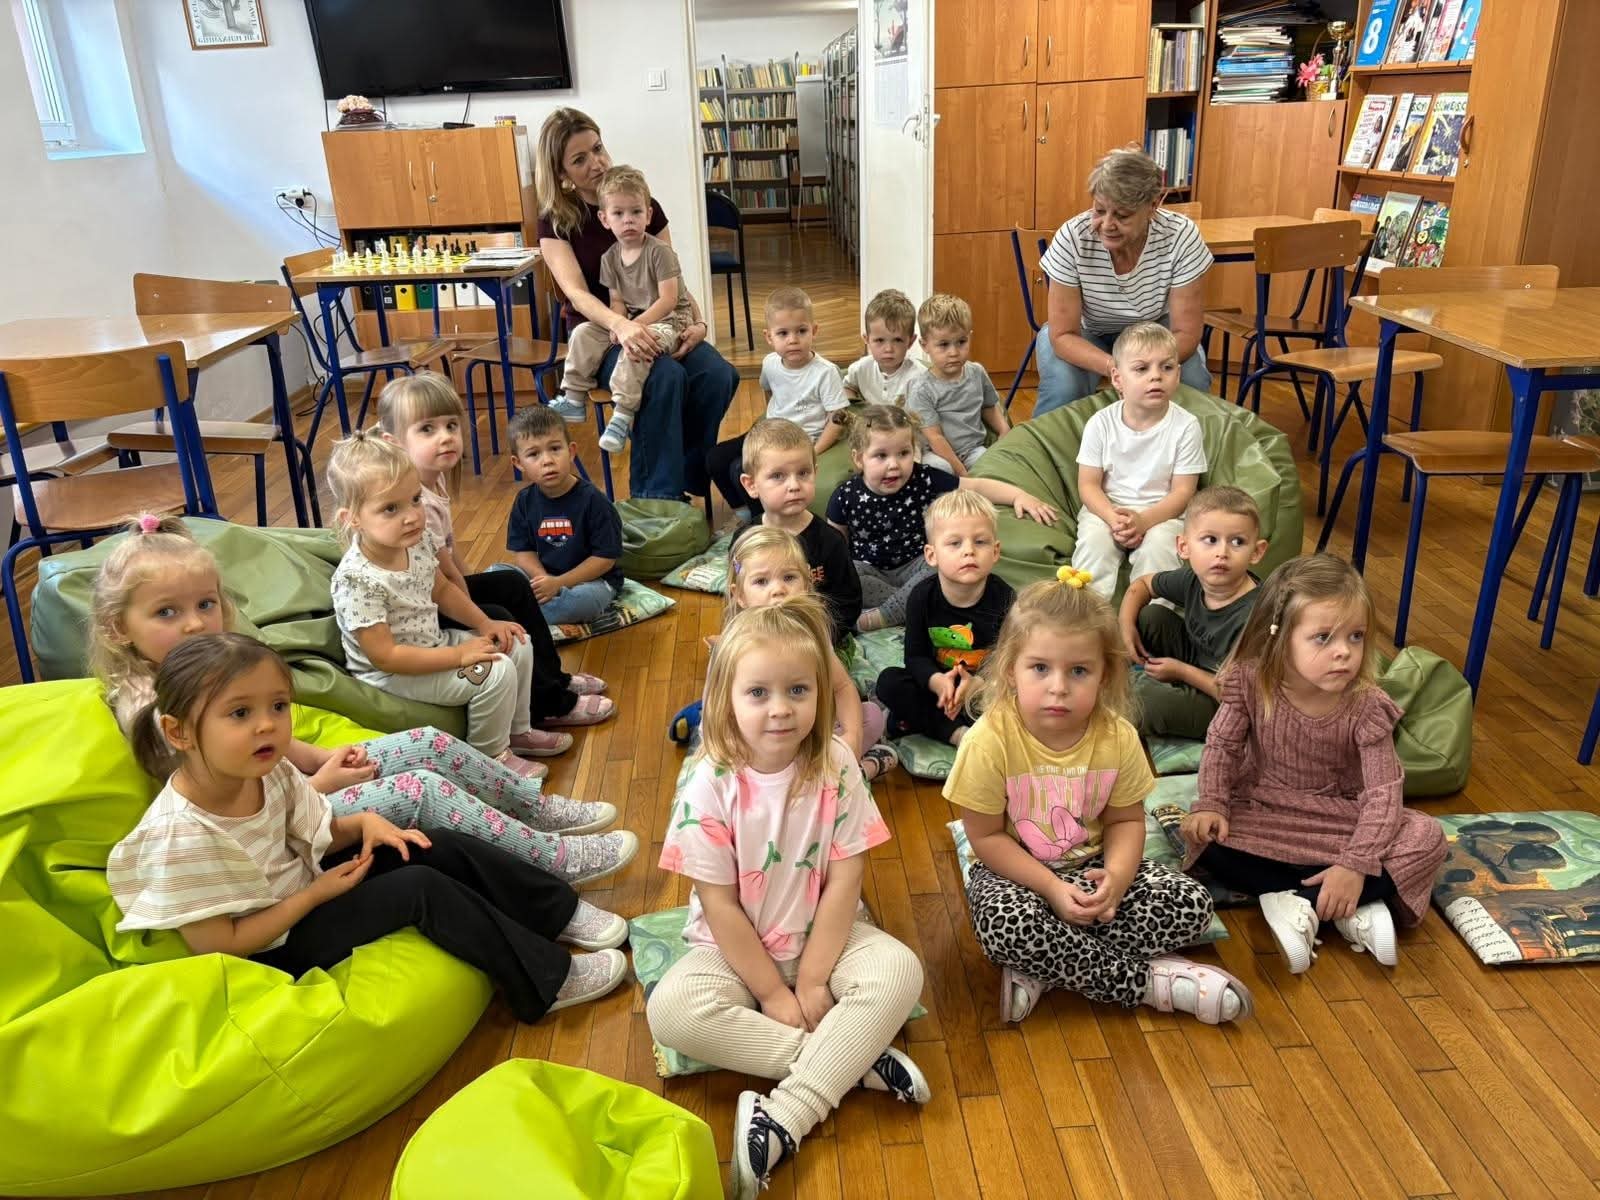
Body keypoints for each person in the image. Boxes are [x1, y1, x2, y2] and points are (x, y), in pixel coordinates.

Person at [107, 633, 631, 1025]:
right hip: (276, 946)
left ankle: (559, 911)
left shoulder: (268, 771)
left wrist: (365, 824)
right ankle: (547, 981)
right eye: (239, 713)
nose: (267, 724)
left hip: (306, 886)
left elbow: (315, 831)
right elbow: (223, 945)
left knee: (432, 844)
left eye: (278, 706)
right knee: (418, 887)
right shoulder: (182, 837)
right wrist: (315, 896)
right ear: (179, 732)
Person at [88, 515, 638, 884]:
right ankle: (550, 857)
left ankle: (532, 811)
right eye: (166, 612)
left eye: (205, 605)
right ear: (118, 627)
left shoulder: (214, 668)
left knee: (427, 742)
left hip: (300, 791)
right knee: (420, 789)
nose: (194, 624)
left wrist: (324, 758)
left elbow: (272, 743)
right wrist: (321, 784)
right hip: (276, 830)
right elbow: (232, 807)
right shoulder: (157, 711)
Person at [645, 600, 928, 1200]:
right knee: (671, 1011)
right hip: (734, 951)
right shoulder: (707, 783)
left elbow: (846, 879)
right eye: (758, 693)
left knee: (901, 970)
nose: (780, 708)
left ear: (821, 694)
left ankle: (786, 1114)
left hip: (828, 934)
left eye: (798, 690)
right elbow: (720, 906)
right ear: (725, 700)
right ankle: (851, 1063)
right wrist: (774, 993)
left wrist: (815, 977)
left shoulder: (838, 765)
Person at [947, 571, 1253, 1026]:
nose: (1058, 686)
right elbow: (987, 838)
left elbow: (1125, 821)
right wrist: (1052, 889)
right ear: (1010, 669)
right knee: (1004, 926)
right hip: (1017, 879)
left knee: (1192, 903)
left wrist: (1117, 880)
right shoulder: (988, 740)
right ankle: (1150, 983)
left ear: (1104, 674)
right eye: (1040, 668)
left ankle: (1048, 964)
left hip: (1091, 869)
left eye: (1078, 671)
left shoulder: (1118, 736)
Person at [1182, 555, 1448, 973]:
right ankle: (1351, 904)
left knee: (1427, 836)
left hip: (1341, 819)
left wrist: (1356, 863)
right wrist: (1212, 802)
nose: (1344, 652)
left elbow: (1384, 793)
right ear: (1278, 637)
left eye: (1356, 636)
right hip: (1265, 810)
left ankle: (1305, 901)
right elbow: (1221, 746)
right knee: (1206, 838)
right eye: (1323, 638)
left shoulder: (1367, 705)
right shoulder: (1250, 681)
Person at [377, 371, 614, 730]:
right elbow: (442, 580)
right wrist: (478, 612)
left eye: (451, 425)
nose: (445, 437)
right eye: (427, 429)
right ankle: (549, 704)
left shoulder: (432, 481)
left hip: (437, 592)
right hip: (420, 610)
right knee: (504, 612)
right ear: (394, 443)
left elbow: (450, 559)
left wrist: (473, 587)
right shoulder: (415, 501)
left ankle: (555, 678)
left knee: (512, 585)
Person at [534, 107, 736, 501]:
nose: (596, 163)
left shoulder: (643, 204)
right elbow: (576, 293)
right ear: (561, 172)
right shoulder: (555, 221)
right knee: (664, 378)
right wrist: (622, 326)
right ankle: (655, 499)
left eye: (597, 149)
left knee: (718, 375)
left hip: (661, 321)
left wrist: (698, 323)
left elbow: (671, 278)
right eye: (579, 159)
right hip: (600, 335)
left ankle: (684, 476)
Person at [327, 432, 541, 775]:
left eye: (415, 499)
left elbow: (441, 590)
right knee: (495, 671)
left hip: (432, 645)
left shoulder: (416, 541)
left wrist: (485, 623)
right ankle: (489, 763)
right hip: (391, 674)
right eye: (390, 509)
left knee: (517, 642)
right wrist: (459, 655)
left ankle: (518, 732)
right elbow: (385, 657)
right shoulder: (357, 580)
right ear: (352, 518)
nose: (412, 516)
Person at [671, 528, 899, 780]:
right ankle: (861, 770)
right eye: (761, 581)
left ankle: (843, 769)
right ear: (739, 595)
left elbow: (842, 687)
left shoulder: (814, 635)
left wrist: (852, 737)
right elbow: (716, 706)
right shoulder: (734, 646)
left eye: (789, 577)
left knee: (871, 717)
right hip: (757, 741)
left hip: (804, 729)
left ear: (807, 585)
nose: (778, 589)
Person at [827, 405, 1056, 632]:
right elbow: (835, 547)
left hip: (919, 564)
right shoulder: (844, 496)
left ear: (914, 451)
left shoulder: (924, 479)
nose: (894, 465)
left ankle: (885, 616)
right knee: (846, 573)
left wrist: (1018, 495)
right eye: (881, 456)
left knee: (943, 567)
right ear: (859, 459)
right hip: (871, 571)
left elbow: (975, 486)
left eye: (904, 453)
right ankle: (915, 605)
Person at [1034, 146, 1214, 417]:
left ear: (1153, 206)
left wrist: (1147, 367)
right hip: (1087, 333)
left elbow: (1186, 332)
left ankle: (1185, 445)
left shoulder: (1181, 235)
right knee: (1064, 386)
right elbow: (1062, 335)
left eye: (1122, 215)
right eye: (1099, 210)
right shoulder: (1072, 237)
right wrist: (1119, 369)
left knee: (1192, 381)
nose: (1107, 224)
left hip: (1156, 332)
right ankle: (1049, 446)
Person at [554, 165, 697, 454]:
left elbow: (668, 300)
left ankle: (622, 415)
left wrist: (634, 327)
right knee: (583, 333)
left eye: (636, 212)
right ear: (604, 219)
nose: (628, 220)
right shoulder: (609, 258)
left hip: (670, 320)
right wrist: (618, 324)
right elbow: (617, 302)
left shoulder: (660, 253)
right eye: (618, 213)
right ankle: (574, 397)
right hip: (632, 320)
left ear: (648, 215)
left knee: (636, 347)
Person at [1119, 486, 1267, 740]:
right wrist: (1126, 626)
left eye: (1237, 542)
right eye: (1210, 540)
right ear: (1184, 546)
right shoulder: (1193, 579)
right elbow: (1142, 585)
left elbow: (1243, 696)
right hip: (1199, 661)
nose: (1222, 553)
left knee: (1145, 703)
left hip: (1229, 703)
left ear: (1256, 551)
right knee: (1150, 617)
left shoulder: (1254, 617)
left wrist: (1180, 671)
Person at [1072, 322, 1206, 599]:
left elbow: (1183, 492)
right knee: (1093, 545)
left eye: (1167, 367)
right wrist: (1112, 518)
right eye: (1142, 369)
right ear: (1117, 378)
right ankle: (1088, 614)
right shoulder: (1100, 423)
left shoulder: (1186, 426)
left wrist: (1145, 520)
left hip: (1162, 513)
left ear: (1178, 375)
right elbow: (1088, 485)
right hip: (1107, 509)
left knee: (1161, 549)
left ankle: (1151, 616)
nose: (1156, 376)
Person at [874, 491, 1016, 748]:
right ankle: (958, 734)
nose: (969, 551)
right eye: (955, 543)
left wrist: (978, 685)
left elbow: (1009, 659)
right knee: (889, 682)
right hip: (938, 687)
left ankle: (921, 722)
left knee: (1021, 697)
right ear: (932, 555)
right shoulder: (921, 597)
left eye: (980, 542)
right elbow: (915, 657)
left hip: (983, 688)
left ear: (995, 551)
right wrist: (937, 682)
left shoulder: (1005, 598)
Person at [706, 286, 849, 521]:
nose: (793, 340)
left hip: (798, 441)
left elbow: (838, 419)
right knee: (716, 458)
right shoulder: (770, 363)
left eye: (801, 331)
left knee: (740, 468)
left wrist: (814, 451)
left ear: (814, 330)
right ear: (769, 337)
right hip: (770, 433)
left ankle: (767, 522)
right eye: (783, 333)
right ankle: (746, 516)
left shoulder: (825, 372)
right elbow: (769, 390)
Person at [732, 418, 861, 644]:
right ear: (751, 484)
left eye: (803, 473)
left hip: (814, 640)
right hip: (760, 637)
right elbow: (738, 589)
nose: (794, 485)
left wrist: (816, 637)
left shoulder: (830, 541)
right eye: (778, 476)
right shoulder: (744, 539)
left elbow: (848, 603)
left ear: (815, 472)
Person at [506, 406, 625, 626]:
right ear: (518, 463)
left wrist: (559, 583)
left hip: (592, 582)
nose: (547, 460)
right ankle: (530, 611)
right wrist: (544, 580)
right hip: (546, 577)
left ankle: (517, 615)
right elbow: (523, 552)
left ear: (571, 451)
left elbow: (605, 559)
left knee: (578, 603)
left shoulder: (594, 501)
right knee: (496, 575)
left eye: (555, 449)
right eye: (533, 454)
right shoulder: (524, 501)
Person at [902, 294, 1010, 476]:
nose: (953, 352)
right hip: (937, 454)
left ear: (970, 337)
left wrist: (1004, 430)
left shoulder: (977, 372)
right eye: (943, 345)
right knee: (940, 471)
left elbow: (989, 406)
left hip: (974, 449)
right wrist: (962, 474)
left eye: (961, 342)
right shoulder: (921, 390)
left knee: (993, 466)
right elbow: (935, 437)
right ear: (924, 345)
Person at [842, 288, 926, 406]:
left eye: (897, 340)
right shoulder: (860, 369)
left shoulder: (920, 376)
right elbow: (847, 387)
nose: (888, 349)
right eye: (880, 340)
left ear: (910, 342)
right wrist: (856, 408)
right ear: (867, 340)